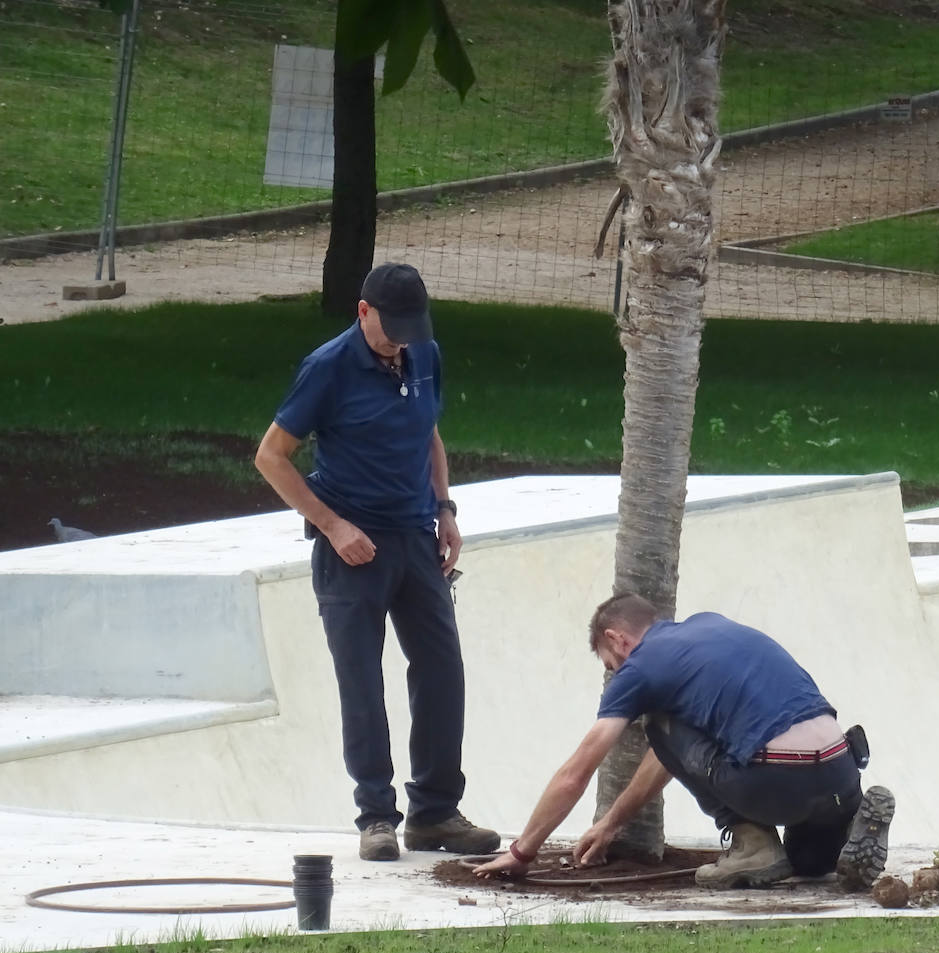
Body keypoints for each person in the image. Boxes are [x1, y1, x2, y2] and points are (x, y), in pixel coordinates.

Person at [254, 261, 498, 862]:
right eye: (391, 328)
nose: (401, 340)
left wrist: (444, 508)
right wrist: (333, 526)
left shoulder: (423, 353)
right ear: (362, 312)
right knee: (362, 681)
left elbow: (429, 434)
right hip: (352, 549)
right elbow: (271, 456)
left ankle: (435, 813)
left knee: (442, 671)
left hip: (416, 538)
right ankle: (376, 816)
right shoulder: (328, 368)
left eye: (411, 328)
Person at [474, 593, 895, 890]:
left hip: (776, 779)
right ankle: (852, 822)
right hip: (839, 768)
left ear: (617, 638)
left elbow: (577, 772)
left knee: (659, 724)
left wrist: (523, 851)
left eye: (610, 663)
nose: (616, 672)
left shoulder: (640, 668)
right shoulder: (710, 625)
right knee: (809, 865)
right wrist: (610, 824)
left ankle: (753, 843)